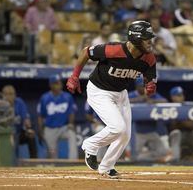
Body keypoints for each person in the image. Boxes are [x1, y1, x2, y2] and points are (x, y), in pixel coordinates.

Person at [66, 20, 157, 178]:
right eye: (147, 38)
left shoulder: (148, 58)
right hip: (99, 91)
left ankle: (107, 167)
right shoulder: (114, 49)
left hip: (121, 93)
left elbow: (150, 77)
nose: (150, 42)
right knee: (117, 128)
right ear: (135, 39)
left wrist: (150, 84)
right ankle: (90, 145)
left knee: (125, 135)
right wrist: (74, 76)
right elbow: (86, 52)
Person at [129, 76, 171, 162]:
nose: (144, 88)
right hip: (138, 132)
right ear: (137, 87)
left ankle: (149, 157)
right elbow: (124, 101)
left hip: (152, 131)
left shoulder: (151, 94)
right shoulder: (132, 94)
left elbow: (165, 101)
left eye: (145, 86)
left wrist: (153, 101)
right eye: (142, 86)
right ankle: (146, 157)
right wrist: (141, 99)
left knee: (163, 153)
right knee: (134, 158)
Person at [0, 85, 37, 162]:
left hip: (18, 133)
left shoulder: (19, 102)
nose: (9, 96)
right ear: (2, 95)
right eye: (6, 94)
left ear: (15, 95)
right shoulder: (0, 104)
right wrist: (3, 102)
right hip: (4, 134)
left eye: (11, 94)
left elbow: (26, 118)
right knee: (11, 141)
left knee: (31, 136)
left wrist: (29, 129)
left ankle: (34, 163)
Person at [37, 75, 78, 159]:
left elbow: (71, 112)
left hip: (64, 128)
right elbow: (40, 116)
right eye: (56, 83)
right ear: (51, 85)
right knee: (52, 154)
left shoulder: (67, 97)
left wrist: (70, 124)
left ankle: (73, 161)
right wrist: (41, 130)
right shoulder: (45, 98)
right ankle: (54, 167)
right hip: (50, 128)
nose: (58, 85)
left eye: (59, 83)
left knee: (72, 134)